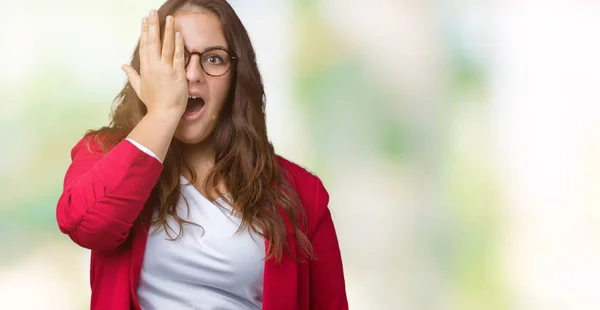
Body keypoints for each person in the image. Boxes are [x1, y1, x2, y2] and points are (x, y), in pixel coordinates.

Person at [55, 0, 348, 309]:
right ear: (150, 69)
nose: (193, 74)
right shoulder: (103, 154)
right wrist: (161, 115)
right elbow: (87, 226)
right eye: (175, 57)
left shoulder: (303, 194)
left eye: (214, 59)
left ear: (237, 76)